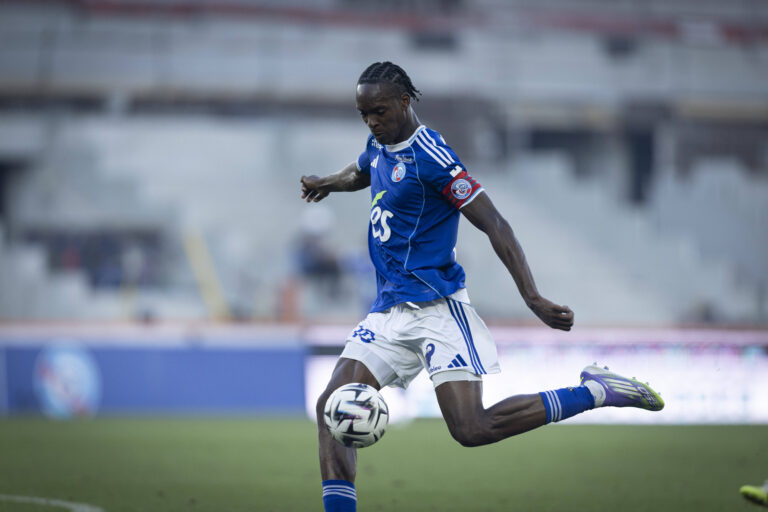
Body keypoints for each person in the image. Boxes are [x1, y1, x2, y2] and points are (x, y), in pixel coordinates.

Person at [300, 61, 664, 512]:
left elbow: (494, 222)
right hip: (388, 311)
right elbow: (362, 170)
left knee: (472, 429)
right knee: (331, 408)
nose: (372, 122)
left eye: (379, 111)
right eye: (364, 115)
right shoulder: (380, 144)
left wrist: (532, 296)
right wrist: (327, 184)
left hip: (438, 309)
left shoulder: (433, 157)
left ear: (404, 102)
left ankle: (595, 391)